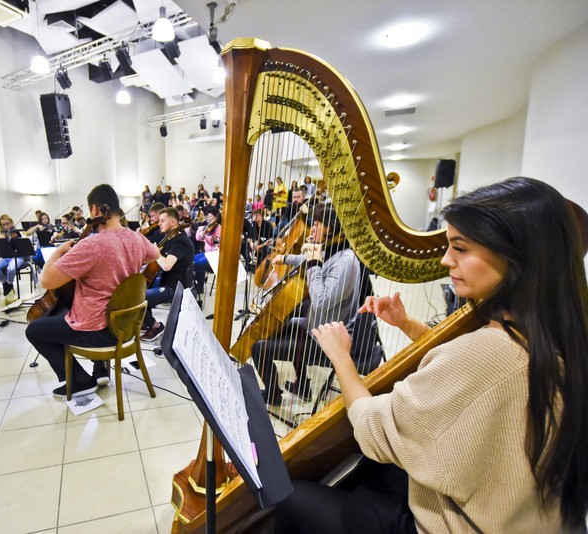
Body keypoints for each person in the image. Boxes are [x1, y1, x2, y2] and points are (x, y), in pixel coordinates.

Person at [275, 177, 588, 533]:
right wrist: (408, 325)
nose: (445, 260)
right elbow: (472, 381)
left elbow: (372, 428)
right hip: (515, 510)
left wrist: (340, 357)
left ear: (516, 254)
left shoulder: (490, 352)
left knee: (290, 496)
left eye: (461, 248)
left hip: (460, 524)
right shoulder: (557, 331)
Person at [25, 184, 160, 398]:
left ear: (96, 210)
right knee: (81, 307)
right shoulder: (136, 238)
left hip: (98, 331)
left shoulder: (91, 246)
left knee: (34, 330)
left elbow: (47, 280)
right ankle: (100, 369)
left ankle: (79, 381)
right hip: (126, 327)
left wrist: (59, 251)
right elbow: (154, 255)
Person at [251, 204, 362, 405]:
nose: (313, 228)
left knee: (259, 348)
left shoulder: (345, 261)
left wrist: (313, 263)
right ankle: (302, 385)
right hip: (319, 326)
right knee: (283, 325)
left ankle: (272, 395)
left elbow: (320, 301)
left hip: (330, 340)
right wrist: (283, 258)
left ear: (332, 227)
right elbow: (307, 259)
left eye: (318, 224)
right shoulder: (335, 250)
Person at [141, 207, 194, 341]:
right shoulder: (171, 239)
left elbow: (166, 265)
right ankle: (144, 321)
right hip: (167, 281)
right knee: (138, 288)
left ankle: (155, 326)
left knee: (138, 298)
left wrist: (156, 253)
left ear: (172, 222)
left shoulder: (180, 241)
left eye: (163, 220)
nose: (159, 223)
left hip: (174, 287)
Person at [0, 214, 32, 300]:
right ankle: (5, 284)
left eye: (7, 223)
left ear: (11, 223)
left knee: (11, 269)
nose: (6, 226)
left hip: (17, 257)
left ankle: (10, 284)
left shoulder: (16, 232)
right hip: (5, 257)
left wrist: (13, 237)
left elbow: (21, 246)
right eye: (3, 224)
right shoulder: (0, 233)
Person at [193, 208, 222, 303]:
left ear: (216, 218)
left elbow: (214, 243)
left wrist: (205, 236)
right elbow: (197, 239)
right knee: (193, 259)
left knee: (199, 264)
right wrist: (199, 231)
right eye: (208, 217)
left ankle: (200, 285)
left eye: (211, 217)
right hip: (208, 253)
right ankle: (197, 280)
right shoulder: (207, 227)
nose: (208, 219)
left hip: (216, 255)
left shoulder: (219, 228)